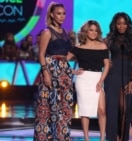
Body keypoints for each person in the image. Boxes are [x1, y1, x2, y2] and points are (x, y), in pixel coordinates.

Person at [33, 2, 80, 140]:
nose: (62, 16)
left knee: (64, 107)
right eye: (58, 13)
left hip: (64, 73)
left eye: (64, 13)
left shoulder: (64, 32)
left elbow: (65, 56)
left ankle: (62, 136)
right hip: (51, 70)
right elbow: (41, 54)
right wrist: (46, 73)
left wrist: (71, 70)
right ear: (52, 15)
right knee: (48, 106)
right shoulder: (47, 32)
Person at [66, 20, 110, 141]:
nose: (94, 32)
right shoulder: (78, 47)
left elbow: (106, 65)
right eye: (91, 30)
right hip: (83, 79)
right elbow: (63, 61)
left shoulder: (102, 46)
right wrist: (73, 71)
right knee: (84, 110)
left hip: (97, 78)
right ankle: (86, 138)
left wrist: (101, 81)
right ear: (86, 31)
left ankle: (102, 138)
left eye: (96, 30)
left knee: (101, 110)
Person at [104, 12, 132, 141]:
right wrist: (106, 62)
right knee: (112, 108)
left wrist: (131, 81)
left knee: (124, 108)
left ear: (128, 24)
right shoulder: (109, 40)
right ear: (115, 25)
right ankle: (112, 138)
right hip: (112, 75)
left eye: (124, 23)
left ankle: (123, 137)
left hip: (127, 74)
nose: (121, 26)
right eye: (119, 23)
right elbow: (102, 55)